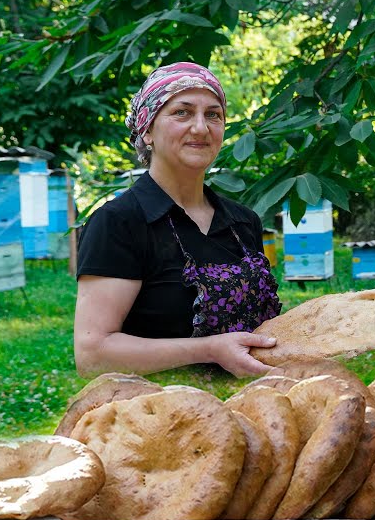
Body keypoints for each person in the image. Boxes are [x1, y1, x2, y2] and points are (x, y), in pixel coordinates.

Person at [74, 62, 281, 378]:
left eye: (213, 115)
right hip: (159, 416)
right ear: (147, 130)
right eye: (182, 113)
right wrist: (209, 349)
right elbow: (92, 354)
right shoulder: (118, 223)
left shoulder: (243, 222)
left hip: (250, 407)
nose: (201, 127)